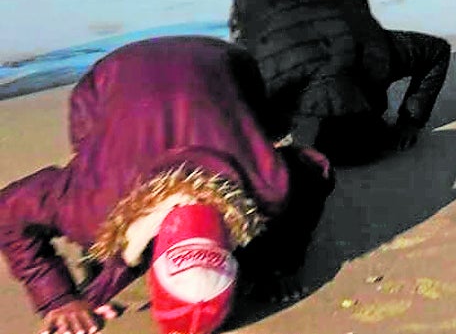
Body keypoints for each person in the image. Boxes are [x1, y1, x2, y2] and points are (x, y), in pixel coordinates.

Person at [0, 36, 333, 334]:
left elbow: (317, 167)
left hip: (222, 59)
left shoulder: (270, 183)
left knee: (259, 130)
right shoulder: (88, 204)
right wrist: (58, 299)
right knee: (94, 158)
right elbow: (7, 211)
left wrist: (279, 263)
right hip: (116, 70)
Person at [229, 0, 452, 167]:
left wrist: (412, 120)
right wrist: (410, 121)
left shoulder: (380, 54)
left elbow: (437, 51)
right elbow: (437, 52)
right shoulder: (381, 55)